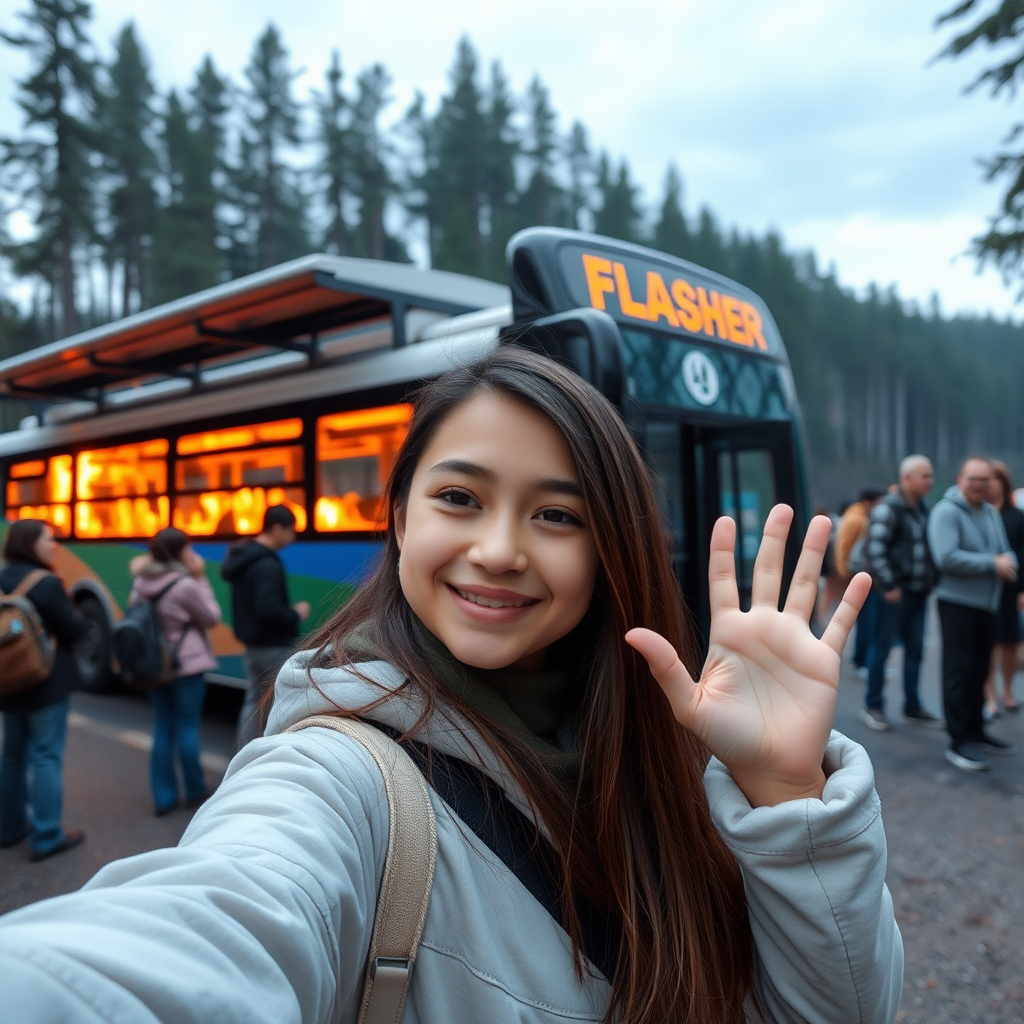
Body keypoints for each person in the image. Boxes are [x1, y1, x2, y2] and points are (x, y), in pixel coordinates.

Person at [0, 349, 901, 1023]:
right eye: (459, 499)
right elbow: (210, 926)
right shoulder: (338, 777)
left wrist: (787, 793)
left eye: (556, 515)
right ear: (397, 520)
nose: (500, 549)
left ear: (608, 549)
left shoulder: (685, 756)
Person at [0, 520, 89, 861]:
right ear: (30, 544)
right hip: (45, 681)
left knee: (11, 756)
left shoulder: (2, 578)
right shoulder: (46, 582)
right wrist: (79, 618)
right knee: (46, 755)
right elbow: (72, 630)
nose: (53, 545)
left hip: (7, 681)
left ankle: (9, 828)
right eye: (48, 540)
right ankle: (46, 835)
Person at [928, 456, 1019, 772]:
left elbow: (1005, 550)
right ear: (960, 478)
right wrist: (992, 564)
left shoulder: (989, 513)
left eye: (985, 479)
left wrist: (1008, 562)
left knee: (980, 670)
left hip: (986, 604)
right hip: (957, 602)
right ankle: (958, 740)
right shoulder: (946, 511)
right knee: (959, 670)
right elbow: (946, 557)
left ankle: (976, 730)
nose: (979, 484)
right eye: (973, 478)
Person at [129, 528, 223, 815]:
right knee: (186, 726)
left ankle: (163, 797)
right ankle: (194, 790)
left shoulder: (141, 584)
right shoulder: (185, 584)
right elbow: (212, 617)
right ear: (178, 552)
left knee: (162, 727)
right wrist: (201, 577)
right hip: (187, 664)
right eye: (189, 549)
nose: (193, 554)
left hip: (155, 664)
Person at [860, 456, 941, 731]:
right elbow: (875, 550)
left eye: (930, 476)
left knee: (915, 650)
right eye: (925, 476)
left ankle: (913, 707)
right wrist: (888, 585)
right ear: (907, 478)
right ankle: (873, 705)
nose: (930, 481)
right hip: (894, 592)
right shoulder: (888, 509)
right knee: (881, 648)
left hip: (917, 592)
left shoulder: (922, 508)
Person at [221, 505, 310, 747]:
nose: (292, 538)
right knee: (279, 706)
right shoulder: (266, 564)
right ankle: (267, 759)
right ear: (277, 528)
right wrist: (295, 613)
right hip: (273, 646)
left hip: (252, 646)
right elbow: (268, 609)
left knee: (254, 703)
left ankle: (243, 754)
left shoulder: (245, 558)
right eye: (291, 531)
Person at [983, 461, 1024, 717]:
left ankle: (1007, 689)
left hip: (1011, 587)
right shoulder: (979, 514)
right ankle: (989, 696)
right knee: (987, 643)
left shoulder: (1016, 516)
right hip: (984, 586)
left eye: (995, 479)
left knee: (1009, 641)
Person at [834, 486, 885, 671]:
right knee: (865, 619)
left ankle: (861, 659)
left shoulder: (855, 516)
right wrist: (845, 572)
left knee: (863, 617)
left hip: (853, 572)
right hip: (856, 573)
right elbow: (845, 547)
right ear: (868, 502)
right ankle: (861, 660)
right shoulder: (859, 519)